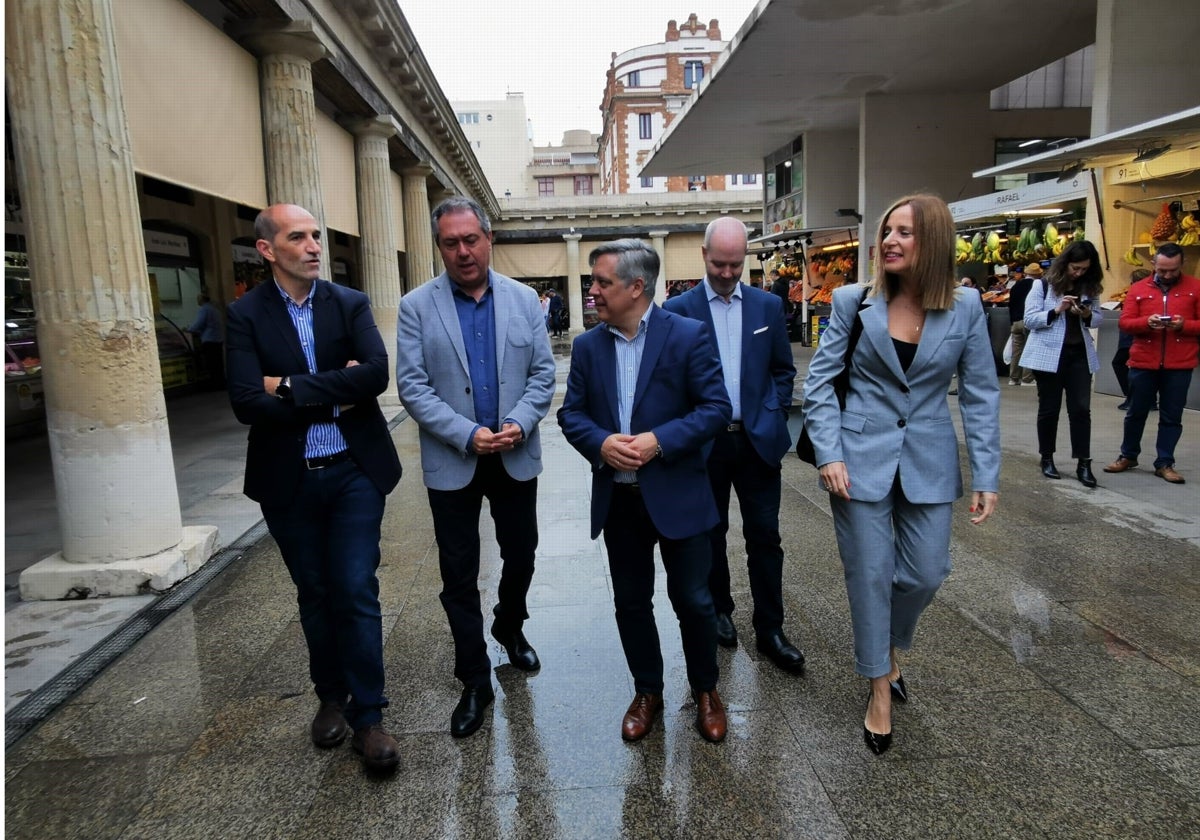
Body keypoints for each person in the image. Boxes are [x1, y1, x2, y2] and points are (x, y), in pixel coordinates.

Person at [801, 193, 999, 756]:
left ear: (932, 241)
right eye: (888, 230)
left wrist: (987, 473)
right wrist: (829, 453)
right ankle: (878, 690)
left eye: (904, 232)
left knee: (926, 573)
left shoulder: (964, 307)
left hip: (930, 457)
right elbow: (821, 383)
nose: (889, 240)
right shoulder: (850, 301)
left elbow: (981, 395)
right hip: (858, 460)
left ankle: (888, 650)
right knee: (869, 574)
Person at [225, 203, 403, 773]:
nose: (313, 246)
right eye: (297, 237)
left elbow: (375, 374)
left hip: (354, 471)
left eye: (316, 236)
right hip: (289, 481)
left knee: (354, 585)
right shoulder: (245, 315)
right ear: (267, 250)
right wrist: (334, 389)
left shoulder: (348, 303)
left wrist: (290, 388)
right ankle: (331, 697)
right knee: (316, 593)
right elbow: (245, 401)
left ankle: (370, 716)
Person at [557, 238, 732, 744]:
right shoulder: (589, 346)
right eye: (593, 283)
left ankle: (705, 690)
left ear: (637, 288)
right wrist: (601, 443)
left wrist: (660, 440)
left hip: (680, 494)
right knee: (631, 602)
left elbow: (716, 408)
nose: (592, 292)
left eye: (602, 283)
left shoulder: (688, 336)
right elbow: (572, 415)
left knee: (694, 601)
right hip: (621, 501)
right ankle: (647, 690)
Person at [396, 196, 556, 738]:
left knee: (523, 554)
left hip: (513, 452)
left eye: (471, 239)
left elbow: (541, 375)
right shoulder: (417, 306)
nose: (463, 251)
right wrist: (466, 433)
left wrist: (520, 421)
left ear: (489, 239)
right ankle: (473, 678)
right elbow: (412, 387)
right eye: (450, 242)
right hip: (454, 458)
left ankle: (510, 625)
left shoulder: (524, 302)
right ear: (439, 246)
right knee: (458, 574)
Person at [663, 218, 804, 674]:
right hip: (704, 445)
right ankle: (720, 609)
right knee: (711, 532)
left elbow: (784, 369)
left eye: (736, 264)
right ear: (703, 255)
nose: (727, 273)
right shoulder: (678, 309)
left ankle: (771, 628)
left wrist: (775, 409)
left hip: (757, 441)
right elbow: (670, 379)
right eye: (719, 263)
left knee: (765, 536)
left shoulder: (766, 306)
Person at [1104, 243, 1200, 484]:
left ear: (1182, 265)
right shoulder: (1137, 289)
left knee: (1172, 415)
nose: (1167, 275)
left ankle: (1165, 462)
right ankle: (1128, 455)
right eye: (1162, 270)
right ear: (1153, 264)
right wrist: (1147, 322)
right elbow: (1125, 324)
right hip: (1143, 361)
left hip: (1179, 364)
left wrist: (1183, 325)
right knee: (1136, 412)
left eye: (1173, 270)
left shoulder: (1195, 288)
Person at [1019, 241, 1105, 487]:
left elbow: (1098, 320)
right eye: (1075, 268)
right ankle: (1047, 457)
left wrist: (1087, 314)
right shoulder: (1043, 285)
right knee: (1049, 408)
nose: (1078, 273)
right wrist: (1058, 309)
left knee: (1080, 409)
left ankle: (1084, 462)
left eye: (1084, 269)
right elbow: (1030, 319)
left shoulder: (1090, 287)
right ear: (1065, 263)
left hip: (1079, 354)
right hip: (1048, 356)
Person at [1112, 269, 1153, 410]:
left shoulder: (1136, 294)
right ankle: (1147, 400)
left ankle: (1132, 398)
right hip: (1137, 338)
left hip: (1132, 338)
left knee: (1121, 364)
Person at [1006, 264, 1038, 386]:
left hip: (1015, 322)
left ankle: (1013, 378)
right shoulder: (1036, 286)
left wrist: (1012, 322)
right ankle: (1027, 378)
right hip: (1029, 321)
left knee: (1016, 350)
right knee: (1029, 349)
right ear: (1037, 275)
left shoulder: (1015, 286)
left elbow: (1011, 305)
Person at [187, 292, 225, 389]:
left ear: (202, 299)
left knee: (212, 364)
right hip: (218, 339)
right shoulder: (215, 309)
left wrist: (189, 329)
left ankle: (214, 384)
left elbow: (199, 323)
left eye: (198, 298)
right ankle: (220, 383)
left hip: (209, 340)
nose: (197, 301)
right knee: (218, 363)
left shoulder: (204, 309)